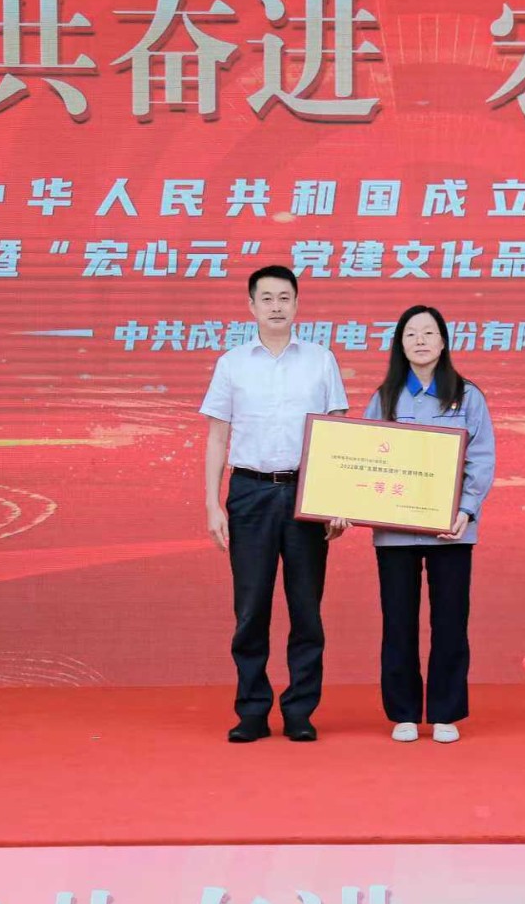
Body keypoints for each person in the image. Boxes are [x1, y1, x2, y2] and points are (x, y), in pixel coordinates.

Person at [200, 265, 348, 743]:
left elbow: (339, 435)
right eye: (266, 298)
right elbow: (217, 436)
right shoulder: (232, 364)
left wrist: (338, 499)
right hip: (249, 491)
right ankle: (252, 710)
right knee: (250, 609)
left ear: (297, 303)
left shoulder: (321, 360)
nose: (276, 306)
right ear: (251, 306)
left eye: (285, 297)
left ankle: (300, 711)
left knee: (306, 609)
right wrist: (212, 504)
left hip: (307, 493)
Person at [356, 305, 495, 744]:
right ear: (400, 344)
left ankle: (444, 712)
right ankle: (403, 713)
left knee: (450, 622)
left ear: (443, 341)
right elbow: (363, 457)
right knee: (398, 623)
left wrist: (465, 510)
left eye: (429, 332)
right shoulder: (384, 398)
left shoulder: (467, 396)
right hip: (394, 532)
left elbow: (481, 459)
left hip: (451, 530)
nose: (420, 340)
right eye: (411, 333)